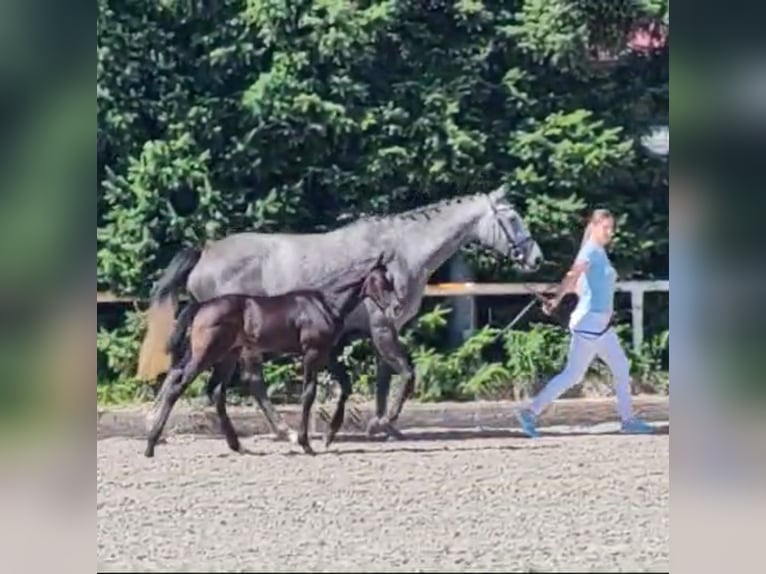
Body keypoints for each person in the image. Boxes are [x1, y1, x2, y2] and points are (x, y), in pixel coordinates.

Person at [515, 209, 656, 437]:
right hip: (590, 323)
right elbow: (572, 275)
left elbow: (578, 286)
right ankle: (530, 413)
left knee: (594, 372)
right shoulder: (590, 251)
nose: (610, 232)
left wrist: (558, 298)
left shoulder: (598, 252)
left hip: (598, 323)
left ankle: (627, 420)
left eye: (612, 228)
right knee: (588, 372)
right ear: (594, 225)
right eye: (606, 227)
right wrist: (557, 298)